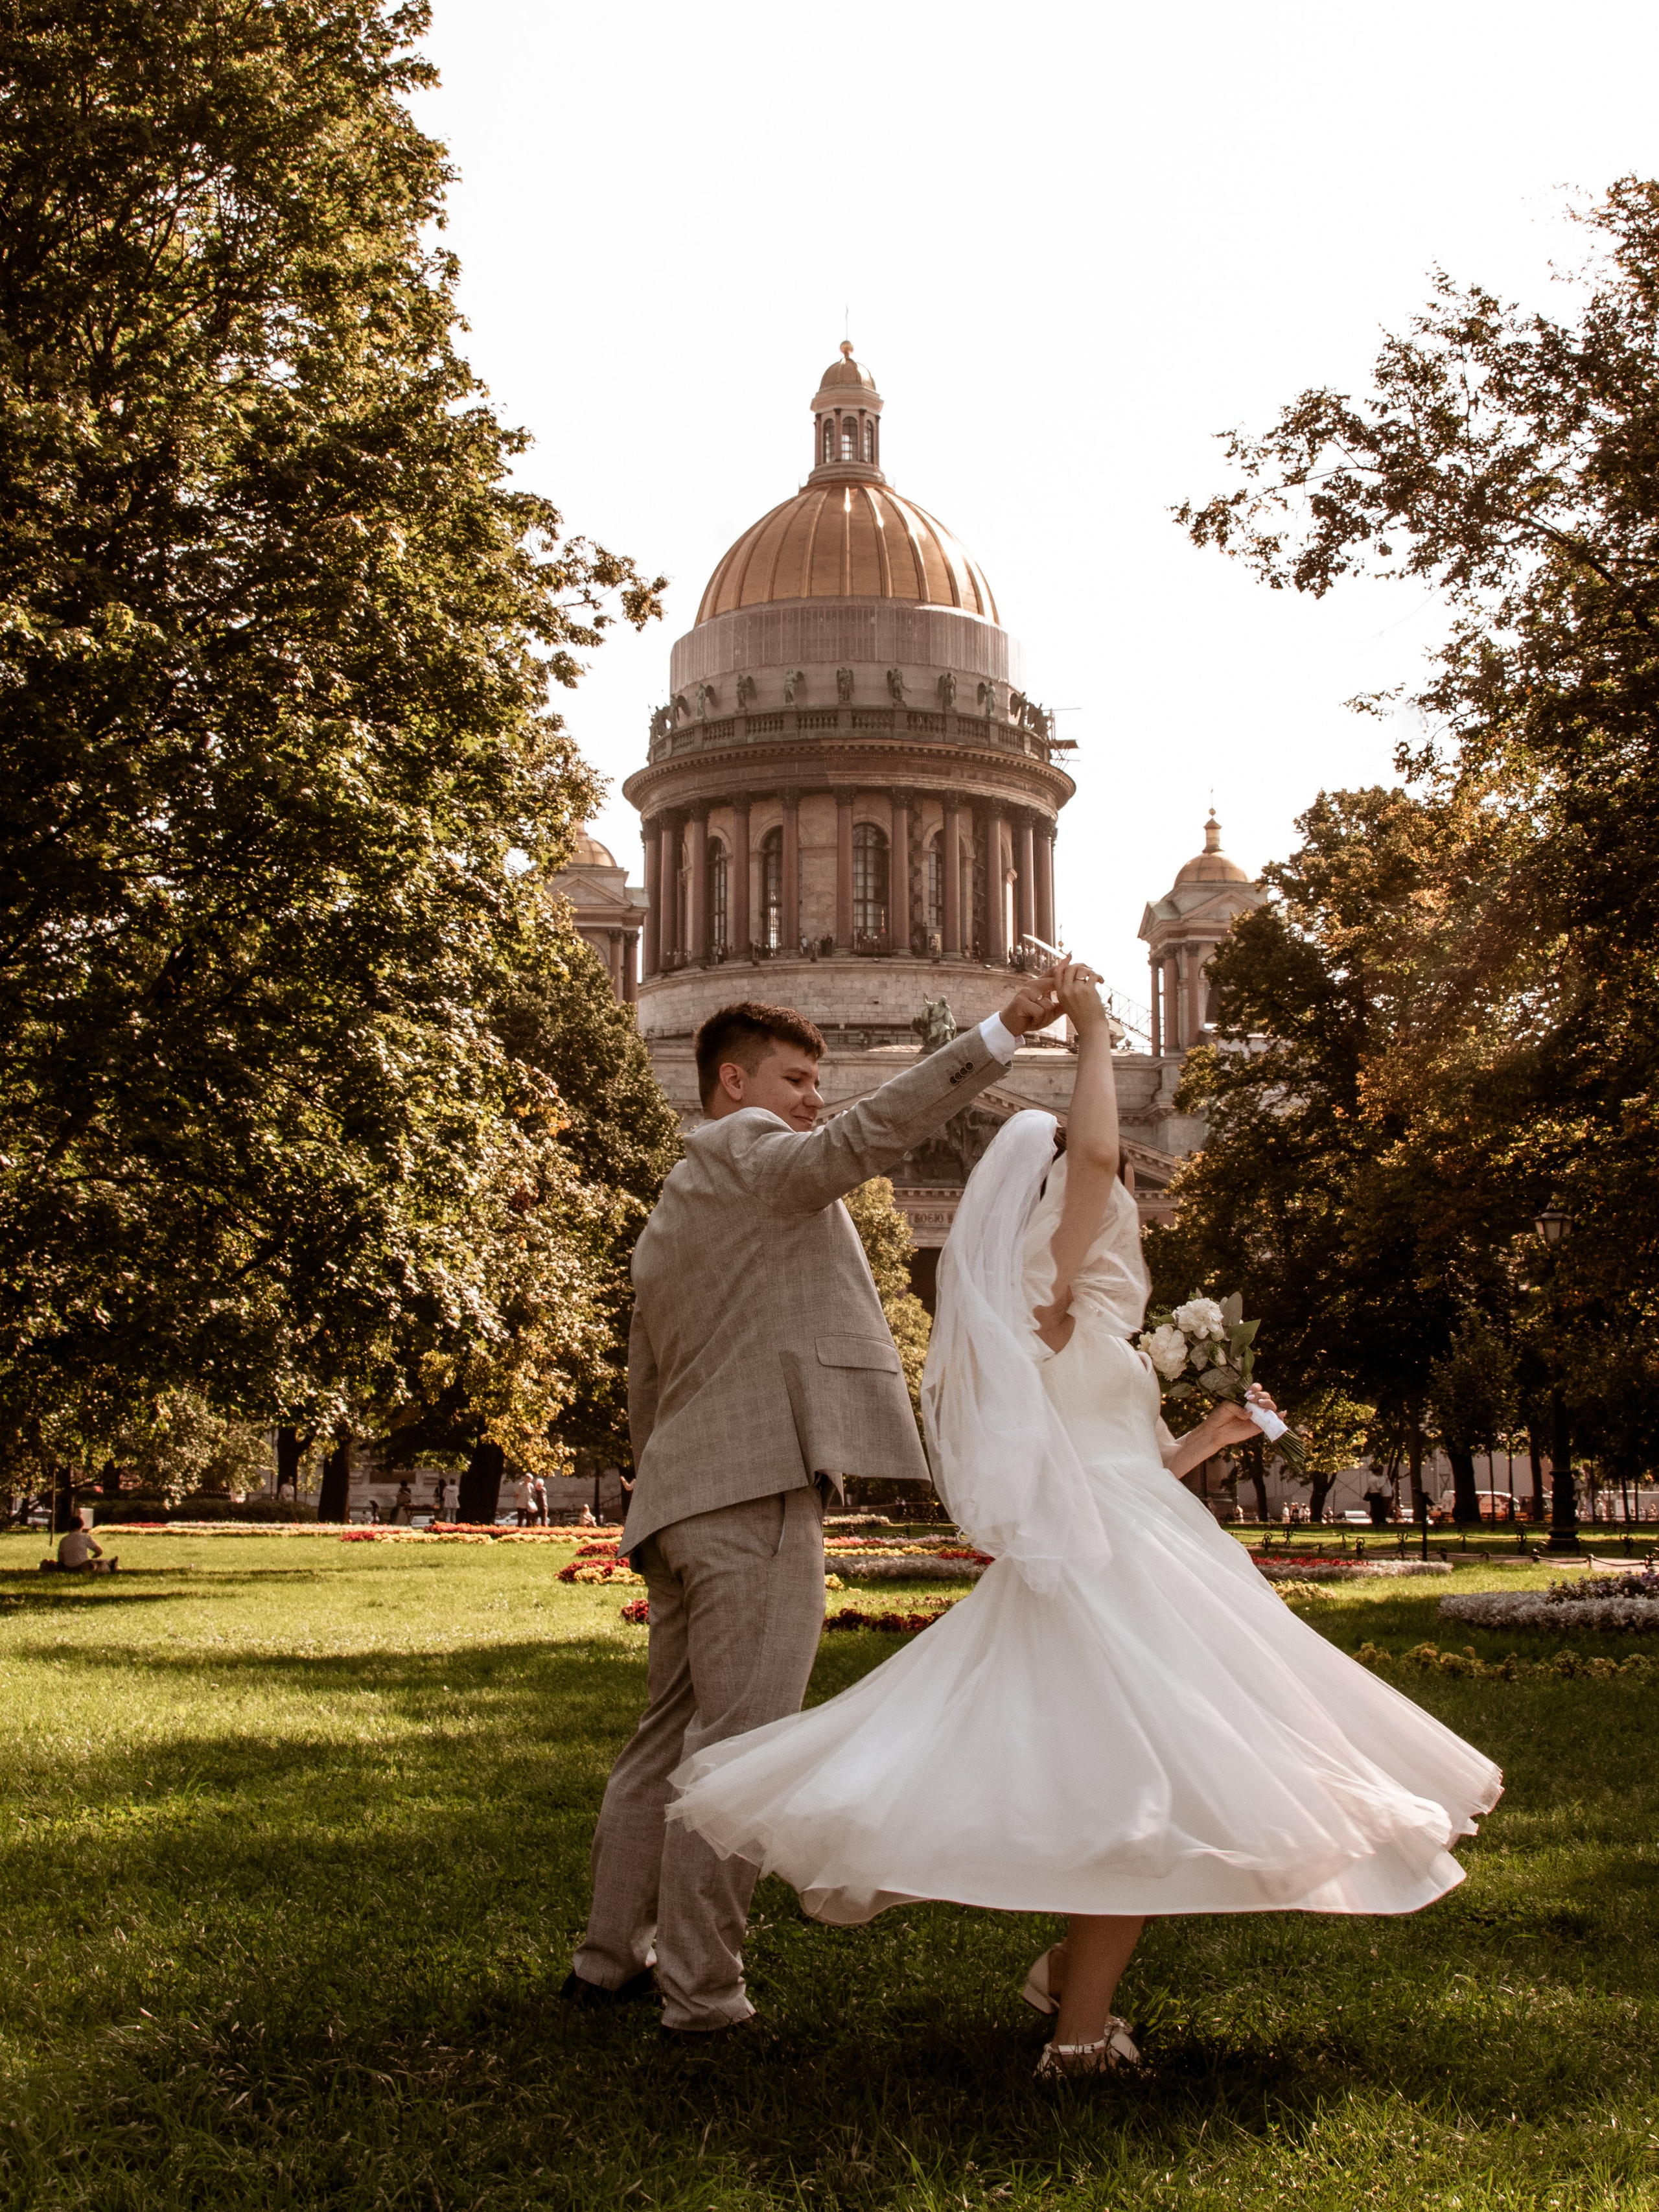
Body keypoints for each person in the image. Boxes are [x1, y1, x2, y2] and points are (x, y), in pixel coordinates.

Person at [668, 964, 1502, 2077]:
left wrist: (1209, 1442)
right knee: (1141, 1789)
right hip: (1113, 1567)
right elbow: (1104, 1159)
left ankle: (1070, 1985)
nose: (1112, 1214)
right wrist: (1101, 1033)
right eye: (1082, 1197)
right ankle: (1078, 2037)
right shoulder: (1048, 1301)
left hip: (1129, 1536)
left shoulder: (1080, 1326)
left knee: (1154, 1780)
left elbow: (1110, 1454)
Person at [564, 979, 1060, 2038]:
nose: (812, 1101)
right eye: (796, 1079)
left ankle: (609, 1958)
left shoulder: (669, 1213)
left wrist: (652, 1506)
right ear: (732, 1083)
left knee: (661, 1742)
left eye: (817, 1084)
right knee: (741, 1748)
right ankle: (704, 1992)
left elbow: (644, 1384)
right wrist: (1000, 1031)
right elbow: (867, 1138)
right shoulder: (753, 1157)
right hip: (753, 1494)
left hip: (685, 1501)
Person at [44, 1511, 119, 1573]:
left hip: (68, 1569)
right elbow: (99, 1551)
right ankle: (111, 1564)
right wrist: (93, 1557)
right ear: (82, 1526)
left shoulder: (64, 1540)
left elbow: (61, 1559)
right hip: (83, 1567)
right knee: (98, 1565)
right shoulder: (85, 1537)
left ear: (70, 1527)